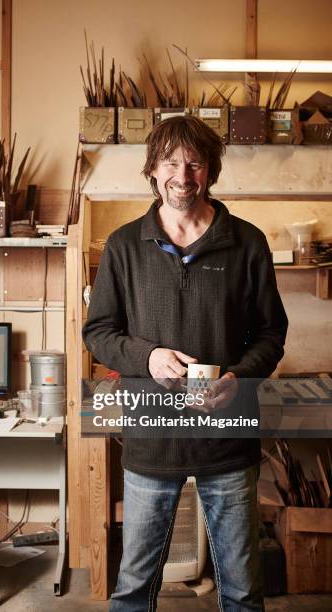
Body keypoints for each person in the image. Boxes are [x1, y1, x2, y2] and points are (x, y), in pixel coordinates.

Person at [82, 115, 288, 612]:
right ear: (152, 168)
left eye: (195, 163)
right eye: (171, 162)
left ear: (210, 171)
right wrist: (147, 357)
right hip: (152, 437)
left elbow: (270, 333)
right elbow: (98, 332)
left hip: (227, 438)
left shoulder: (247, 243)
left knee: (241, 590)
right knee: (133, 589)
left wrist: (240, 377)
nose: (183, 174)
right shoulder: (124, 246)